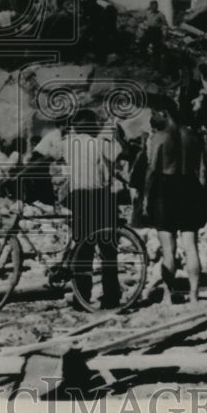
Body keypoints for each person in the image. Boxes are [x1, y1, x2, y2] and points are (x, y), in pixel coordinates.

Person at [140, 102, 206, 303]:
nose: (153, 118)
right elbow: (202, 171)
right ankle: (194, 293)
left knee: (169, 249)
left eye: (155, 113)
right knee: (191, 246)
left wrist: (145, 197)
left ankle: (169, 295)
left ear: (164, 113)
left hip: (166, 188)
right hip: (189, 186)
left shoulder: (160, 137)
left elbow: (152, 169)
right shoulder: (192, 135)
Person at [65, 109, 121, 309]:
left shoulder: (68, 144)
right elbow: (117, 155)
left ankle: (81, 298)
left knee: (83, 250)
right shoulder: (99, 142)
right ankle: (112, 296)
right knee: (108, 250)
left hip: (79, 197)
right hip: (101, 196)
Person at [138, 0, 168, 69]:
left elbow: (165, 24)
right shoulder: (148, 13)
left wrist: (164, 35)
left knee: (156, 49)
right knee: (142, 43)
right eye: (154, 6)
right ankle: (145, 60)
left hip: (157, 32)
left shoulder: (160, 14)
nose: (155, 7)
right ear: (151, 6)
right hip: (149, 30)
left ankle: (156, 66)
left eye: (156, 6)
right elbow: (142, 18)